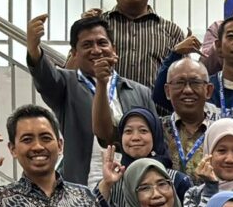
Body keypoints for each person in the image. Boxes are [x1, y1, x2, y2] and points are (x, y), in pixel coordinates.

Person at [26, 12, 158, 187]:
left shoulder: (141, 92)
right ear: (74, 53)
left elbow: (156, 140)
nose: (96, 50)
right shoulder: (66, 84)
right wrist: (34, 49)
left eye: (102, 43)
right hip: (83, 186)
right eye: (87, 45)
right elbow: (45, 78)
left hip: (133, 185)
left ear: (114, 49)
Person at [55, 0, 186, 90]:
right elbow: (69, 74)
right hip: (101, 102)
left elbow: (182, 79)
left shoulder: (172, 31)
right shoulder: (96, 27)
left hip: (154, 105)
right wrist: (83, 28)